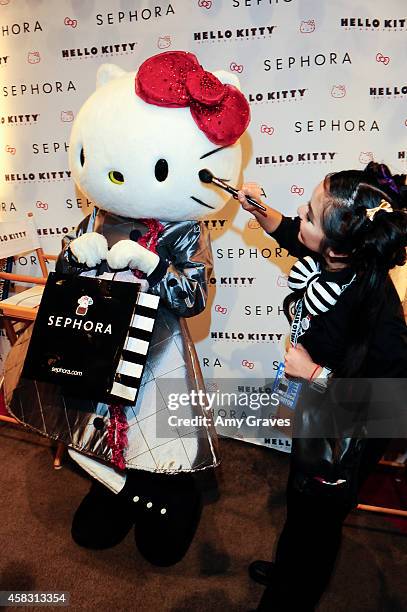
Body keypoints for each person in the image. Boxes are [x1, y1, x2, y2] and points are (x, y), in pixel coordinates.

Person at [237, 162, 407, 611]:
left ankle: (294, 596)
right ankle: (290, 570)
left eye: (310, 214)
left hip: (349, 432)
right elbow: (295, 234)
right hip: (318, 411)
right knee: (300, 502)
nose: (299, 215)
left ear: (338, 246)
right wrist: (259, 211)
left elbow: (392, 400)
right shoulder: (335, 257)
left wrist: (315, 374)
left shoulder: (376, 305)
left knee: (320, 521)